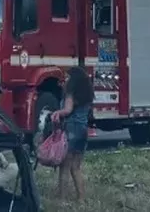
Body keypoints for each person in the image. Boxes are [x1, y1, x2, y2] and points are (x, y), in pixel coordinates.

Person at [50, 67, 93, 201]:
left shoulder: (71, 93)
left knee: (65, 166)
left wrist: (57, 113)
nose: (66, 80)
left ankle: (62, 198)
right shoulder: (87, 94)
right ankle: (81, 198)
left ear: (74, 79)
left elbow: (68, 110)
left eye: (68, 77)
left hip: (71, 129)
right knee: (76, 167)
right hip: (82, 130)